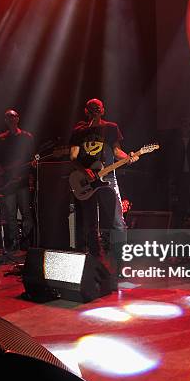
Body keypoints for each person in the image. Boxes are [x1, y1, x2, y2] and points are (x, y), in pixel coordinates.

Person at [69, 98, 138, 277]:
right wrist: (84, 171)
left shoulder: (111, 128)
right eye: (91, 106)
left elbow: (116, 152)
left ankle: (120, 263)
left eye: (97, 106)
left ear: (103, 109)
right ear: (86, 110)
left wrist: (128, 156)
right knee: (91, 224)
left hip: (108, 178)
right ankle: (96, 263)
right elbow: (73, 156)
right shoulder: (79, 130)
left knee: (117, 222)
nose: (95, 108)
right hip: (87, 180)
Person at [0, 109, 35, 252]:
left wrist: (31, 172)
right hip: (7, 182)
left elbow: (32, 158)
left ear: (18, 118)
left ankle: (26, 238)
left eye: (13, 116)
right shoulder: (0, 138)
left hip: (22, 180)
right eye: (8, 116)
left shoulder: (27, 137)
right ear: (5, 120)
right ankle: (15, 240)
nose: (10, 119)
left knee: (26, 212)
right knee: (10, 213)